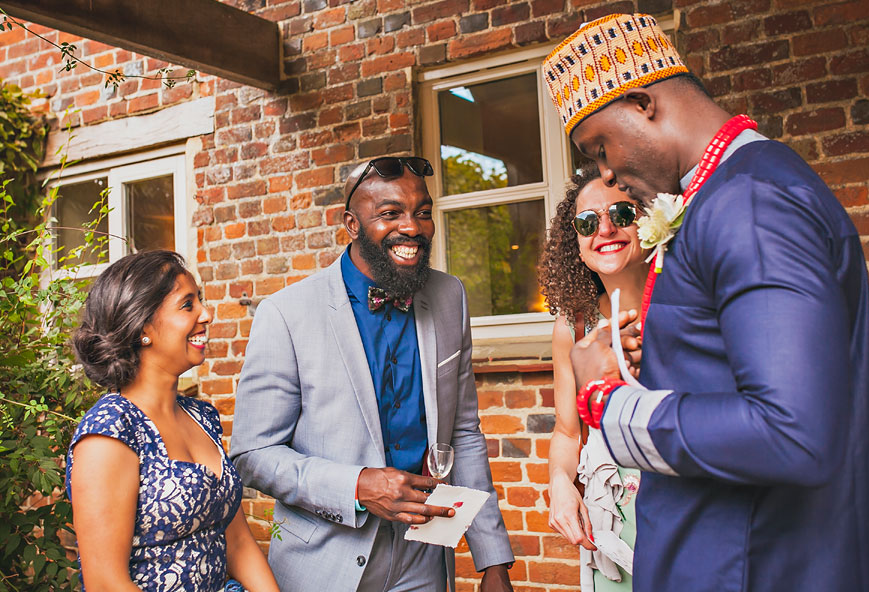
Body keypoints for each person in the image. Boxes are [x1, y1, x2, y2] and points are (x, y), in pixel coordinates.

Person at [541, 13, 869, 592]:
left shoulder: (750, 202)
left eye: (599, 146)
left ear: (641, 103)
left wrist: (606, 399)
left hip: (756, 566)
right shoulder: (732, 193)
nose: (605, 172)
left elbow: (790, 432)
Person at [230, 156, 515, 591]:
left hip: (425, 555)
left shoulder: (448, 295)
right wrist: (358, 486)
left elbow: (463, 431)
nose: (413, 228)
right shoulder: (285, 314)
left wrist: (492, 560)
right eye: (390, 213)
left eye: (422, 212)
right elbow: (253, 454)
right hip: (323, 562)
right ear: (351, 222)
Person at [66, 250, 279, 592]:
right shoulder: (110, 432)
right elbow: (107, 583)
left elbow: (237, 543)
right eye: (187, 304)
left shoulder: (202, 416)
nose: (206, 314)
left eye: (201, 301)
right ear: (143, 327)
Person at [538, 164, 648, 591]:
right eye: (587, 222)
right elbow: (568, 432)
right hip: (613, 518)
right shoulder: (574, 325)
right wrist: (560, 483)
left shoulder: (689, 306)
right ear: (575, 244)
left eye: (621, 214)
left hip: (687, 510)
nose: (605, 229)